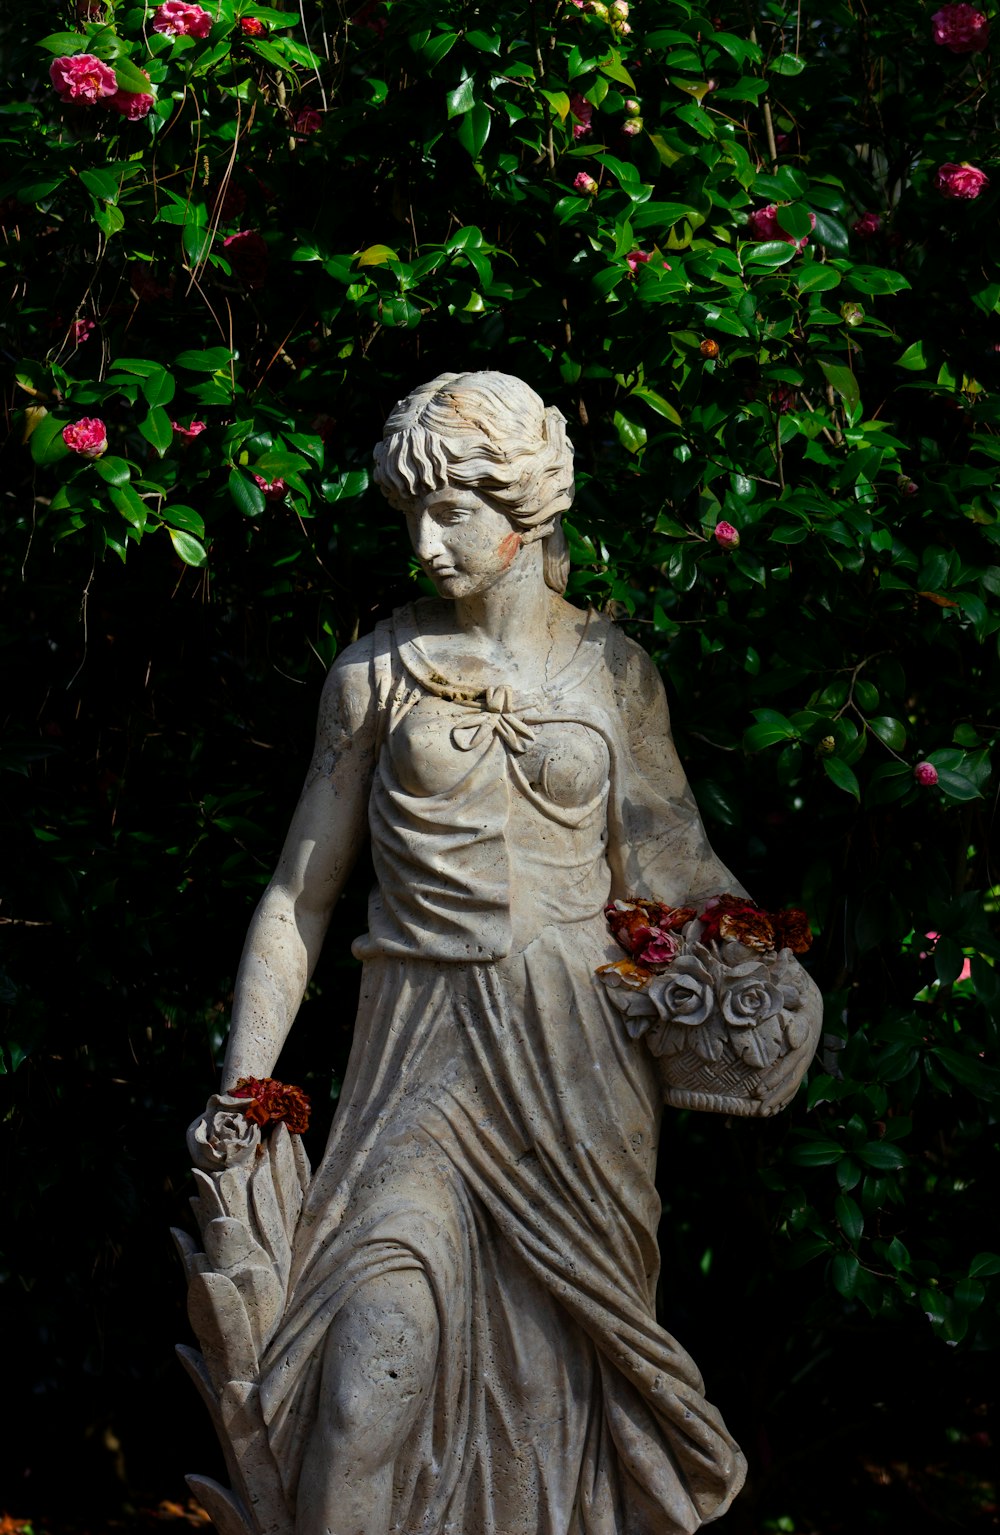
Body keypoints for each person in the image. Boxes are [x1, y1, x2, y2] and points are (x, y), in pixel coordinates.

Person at [213, 372, 753, 1535]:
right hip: (417, 1062)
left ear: (527, 505)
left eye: (452, 509)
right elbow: (298, 898)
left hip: (576, 1078)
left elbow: (678, 870)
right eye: (410, 512)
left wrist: (757, 965)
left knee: (557, 1395)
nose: (425, 541)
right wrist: (246, 1081)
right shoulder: (373, 676)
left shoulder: (613, 677)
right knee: (364, 1382)